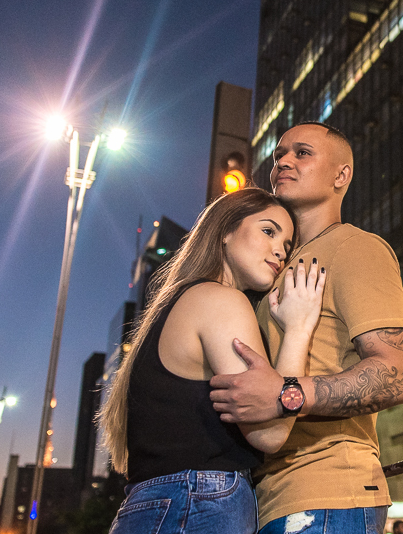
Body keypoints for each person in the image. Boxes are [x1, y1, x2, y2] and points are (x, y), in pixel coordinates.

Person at [210, 122, 403, 534]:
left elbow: (398, 375)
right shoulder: (274, 267)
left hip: (329, 494)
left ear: (341, 175)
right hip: (268, 501)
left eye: (302, 153)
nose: (282, 161)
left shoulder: (357, 248)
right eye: (278, 155)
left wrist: (287, 395)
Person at [98, 188, 326, 534]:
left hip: (153, 502)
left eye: (288, 244)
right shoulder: (221, 301)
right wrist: (298, 328)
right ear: (225, 231)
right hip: (198, 500)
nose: (281, 250)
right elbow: (270, 433)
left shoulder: (180, 301)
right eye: (268, 231)